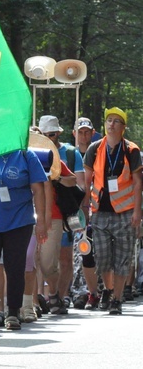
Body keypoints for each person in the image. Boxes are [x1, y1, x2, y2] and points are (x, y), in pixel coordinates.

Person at [0, 149, 47, 331]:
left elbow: (38, 190)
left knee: (15, 267)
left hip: (19, 220)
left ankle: (13, 312)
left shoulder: (26, 156)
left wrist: (41, 221)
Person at [83, 107, 142, 315]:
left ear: (123, 127)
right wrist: (85, 209)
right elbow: (87, 181)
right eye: (109, 120)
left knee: (122, 259)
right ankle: (107, 290)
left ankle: (117, 299)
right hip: (99, 211)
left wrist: (137, 212)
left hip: (124, 211)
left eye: (116, 121)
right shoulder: (94, 149)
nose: (112, 124)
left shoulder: (131, 150)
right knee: (103, 258)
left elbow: (137, 183)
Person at [37, 114, 83, 315]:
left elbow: (74, 180)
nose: (49, 138)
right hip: (28, 216)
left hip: (55, 216)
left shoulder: (57, 157)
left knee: (49, 264)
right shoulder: (28, 154)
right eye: (44, 135)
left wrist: (56, 179)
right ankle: (34, 301)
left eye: (52, 134)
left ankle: (54, 293)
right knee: (30, 261)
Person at [73, 116, 101, 309]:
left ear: (92, 133)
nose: (84, 136)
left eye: (87, 132)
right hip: (74, 209)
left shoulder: (99, 155)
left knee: (92, 249)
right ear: (75, 134)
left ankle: (96, 290)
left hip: (95, 208)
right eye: (80, 132)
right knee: (79, 250)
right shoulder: (69, 155)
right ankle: (78, 292)